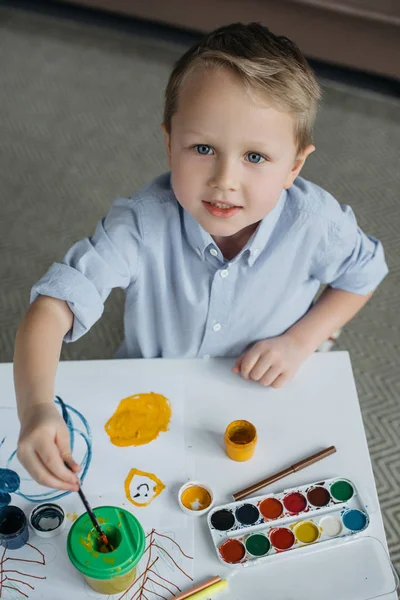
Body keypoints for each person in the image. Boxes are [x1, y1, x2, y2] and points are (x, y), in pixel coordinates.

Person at [13, 23, 388, 492]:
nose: (224, 180)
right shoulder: (142, 221)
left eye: (255, 157)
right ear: (170, 142)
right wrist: (36, 409)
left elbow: (365, 272)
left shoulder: (315, 222)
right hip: (151, 388)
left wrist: (301, 339)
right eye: (203, 148)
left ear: (294, 165)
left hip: (265, 384)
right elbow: (52, 306)